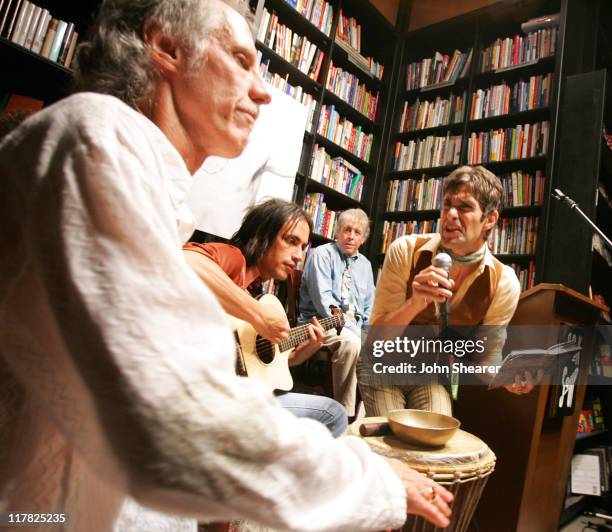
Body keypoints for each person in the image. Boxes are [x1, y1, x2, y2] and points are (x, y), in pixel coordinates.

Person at [0, 0, 453, 530]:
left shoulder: (143, 176)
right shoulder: (95, 135)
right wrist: (370, 479)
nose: (262, 91)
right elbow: (170, 421)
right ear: (165, 47)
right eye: (240, 59)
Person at [359, 165, 533, 417]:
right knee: (394, 441)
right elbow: (375, 342)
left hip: (430, 374)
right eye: (447, 204)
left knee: (435, 446)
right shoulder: (405, 250)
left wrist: (506, 376)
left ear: (490, 219)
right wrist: (415, 303)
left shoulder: (503, 282)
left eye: (464, 207)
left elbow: (485, 357)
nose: (451, 214)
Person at [183, 198, 349, 437]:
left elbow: (256, 363)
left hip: (234, 392)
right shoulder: (234, 258)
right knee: (333, 413)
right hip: (207, 396)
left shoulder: (257, 288)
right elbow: (186, 261)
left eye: (303, 247)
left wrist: (300, 354)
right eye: (291, 241)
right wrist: (258, 314)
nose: (299, 256)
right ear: (263, 234)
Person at [298, 208, 374, 418]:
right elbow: (324, 303)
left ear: (363, 238)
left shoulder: (366, 266)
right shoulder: (321, 254)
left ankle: (368, 416)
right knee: (352, 343)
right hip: (320, 324)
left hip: (354, 328)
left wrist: (369, 333)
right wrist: (357, 333)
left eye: (357, 232)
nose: (351, 236)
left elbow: (369, 307)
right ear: (337, 232)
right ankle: (344, 415)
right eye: (347, 230)